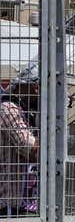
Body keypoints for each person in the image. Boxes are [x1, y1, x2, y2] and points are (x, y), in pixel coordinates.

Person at [0, 84, 37, 214]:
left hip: (28, 202)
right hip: (10, 205)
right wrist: (52, 114)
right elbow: (35, 154)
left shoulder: (27, 113)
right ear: (35, 88)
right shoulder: (8, 109)